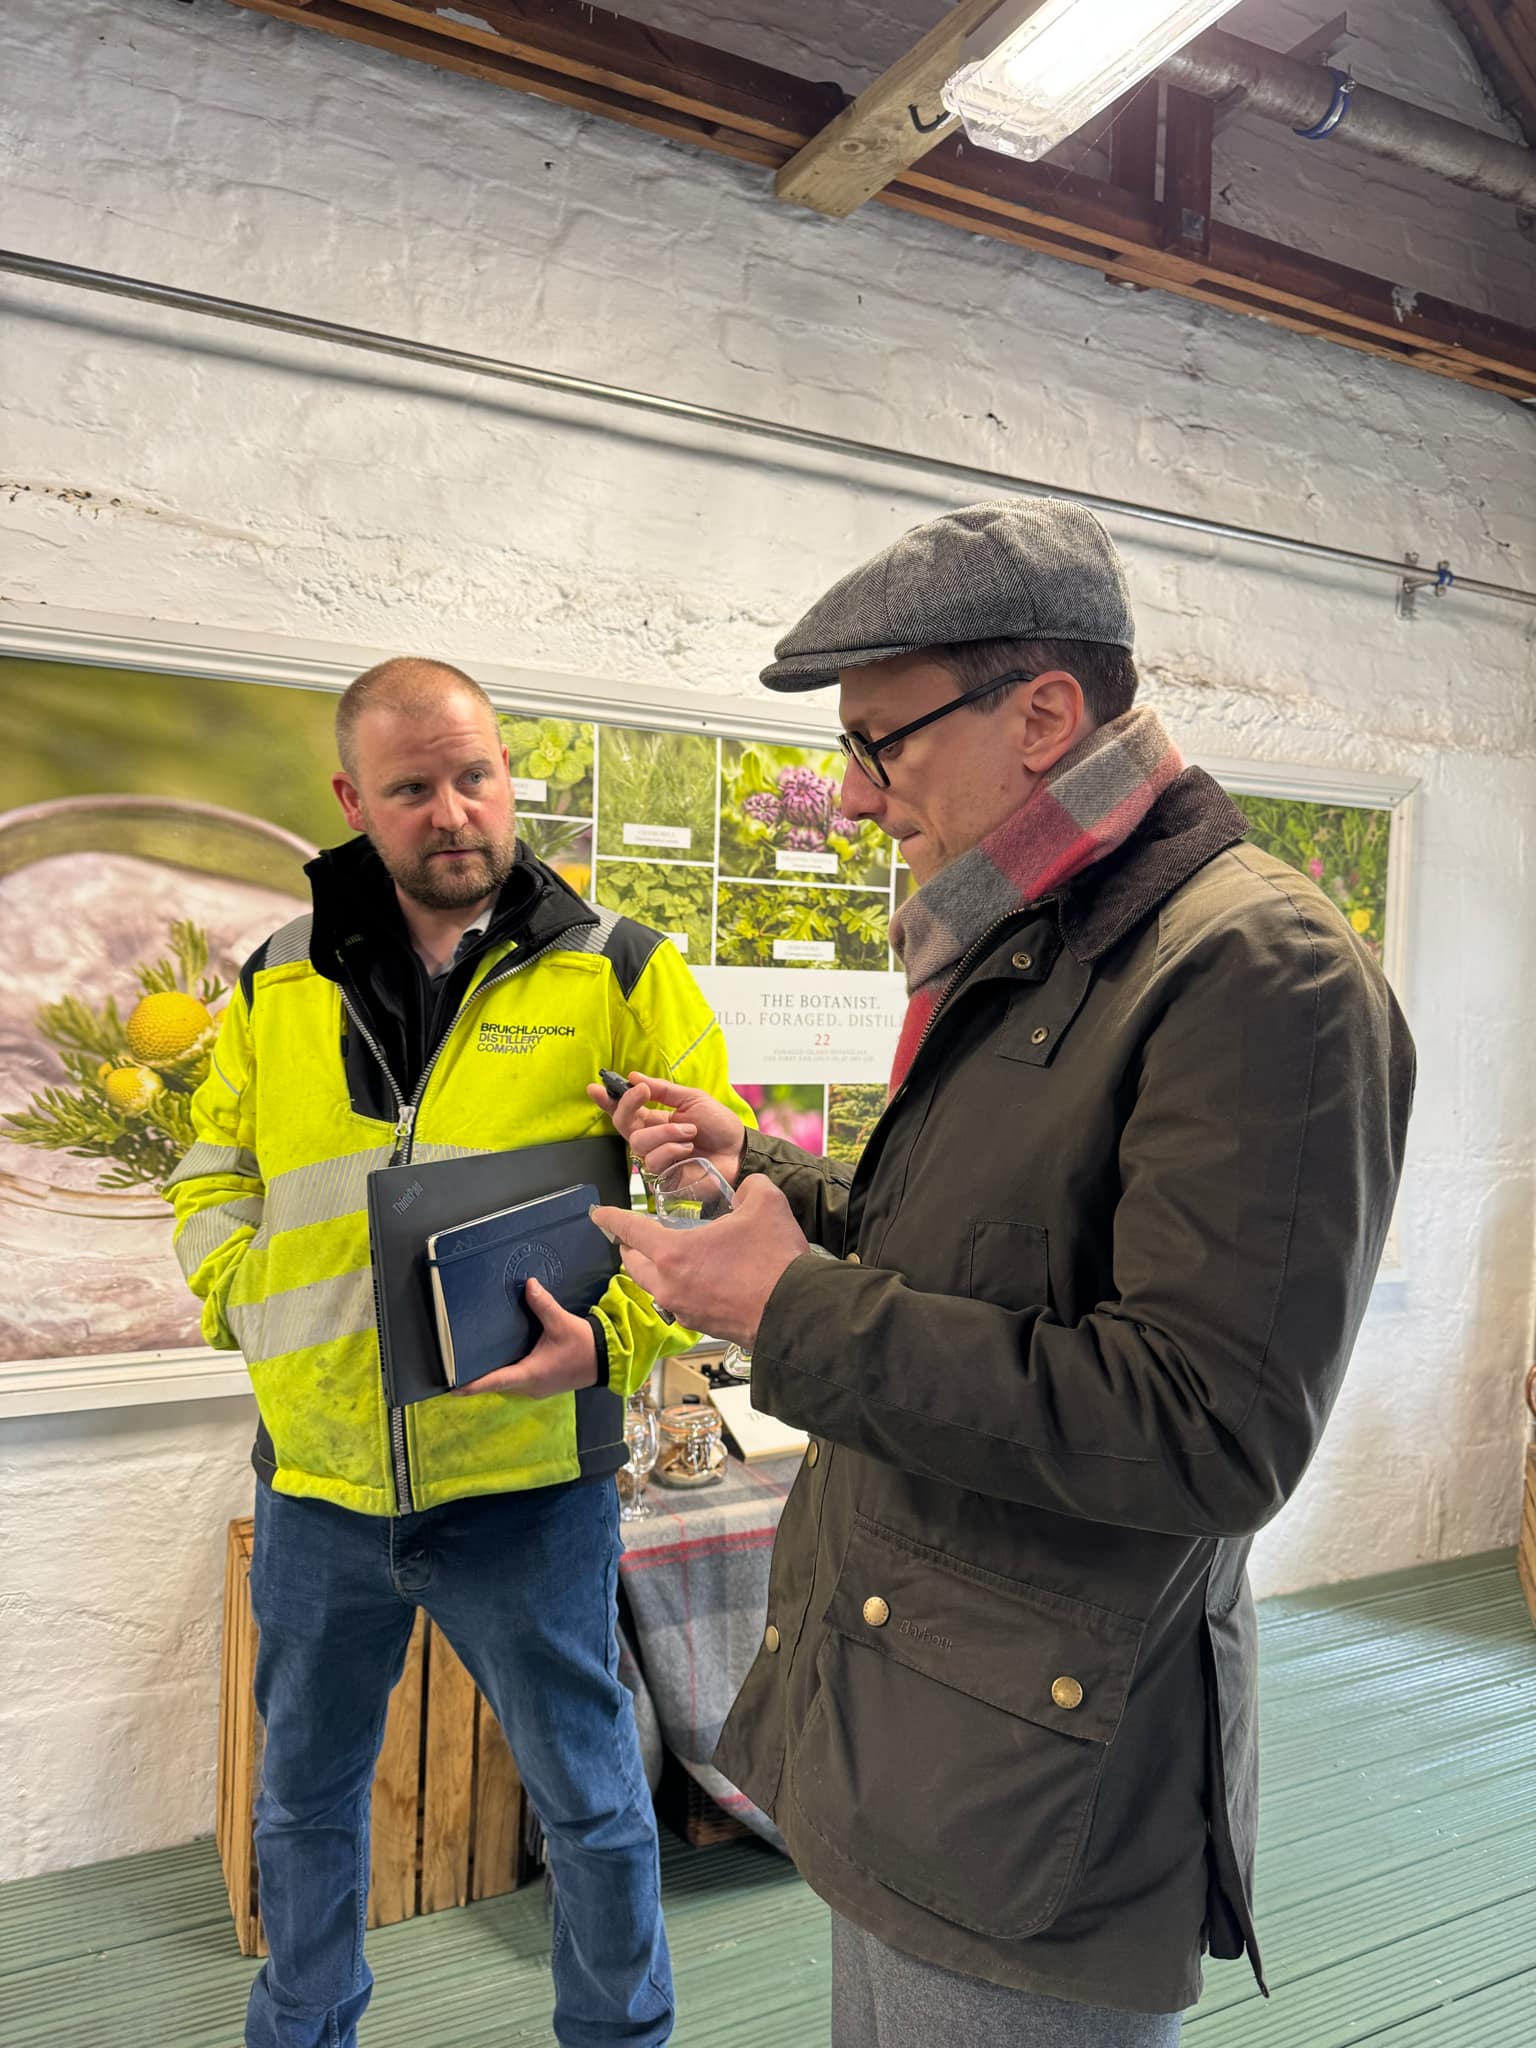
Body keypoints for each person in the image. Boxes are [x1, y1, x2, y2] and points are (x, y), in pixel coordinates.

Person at [591, 501, 1415, 2047]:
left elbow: (1209, 1430)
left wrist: (789, 1310)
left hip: (1038, 1794)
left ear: (1042, 716)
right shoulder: (1031, 930)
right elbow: (987, 1258)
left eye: (880, 742)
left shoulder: (1261, 971)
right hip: (908, 1727)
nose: (852, 794)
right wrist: (762, 1172)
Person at [168, 657, 749, 2048]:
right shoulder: (280, 977)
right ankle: (303, 2030)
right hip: (321, 1480)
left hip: (529, 1483)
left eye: (475, 775)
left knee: (591, 1802)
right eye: (413, 786)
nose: (453, 812)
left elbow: (709, 1203)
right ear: (352, 799)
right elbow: (212, 1172)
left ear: (505, 776)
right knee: (304, 1801)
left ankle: (617, 2037)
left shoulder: (619, 970)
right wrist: (246, 1302)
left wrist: (608, 1344)